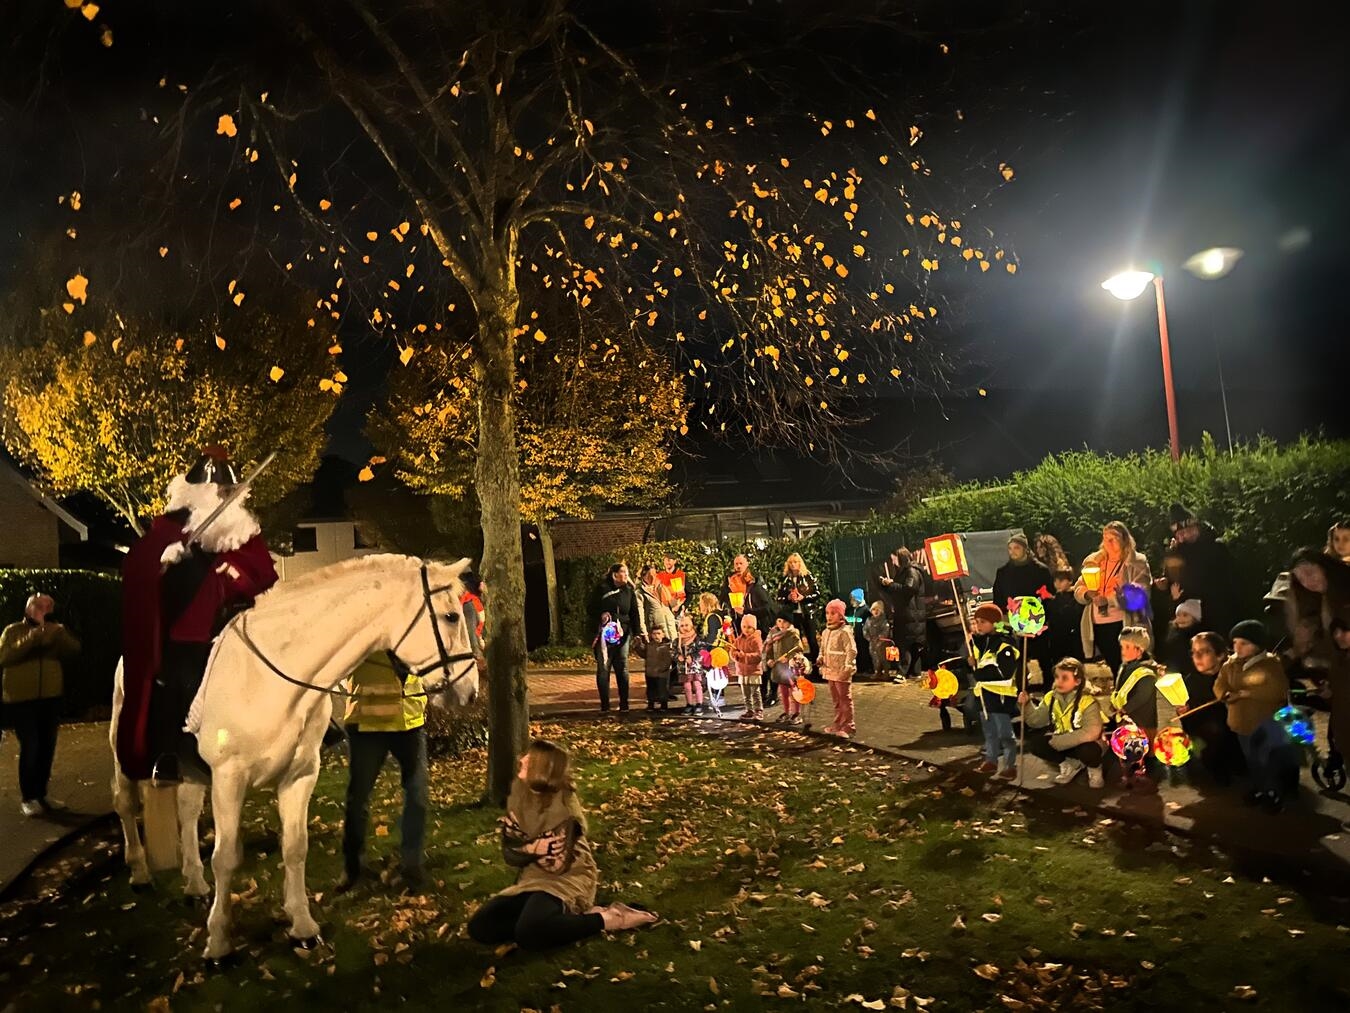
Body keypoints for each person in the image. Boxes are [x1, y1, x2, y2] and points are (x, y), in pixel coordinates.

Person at [118, 447, 278, 784]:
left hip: (237, 626)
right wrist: (163, 558)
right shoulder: (171, 528)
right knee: (180, 680)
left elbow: (262, 573)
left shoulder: (241, 529)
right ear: (198, 491)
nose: (224, 496)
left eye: (229, 491)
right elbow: (136, 568)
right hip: (187, 631)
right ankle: (169, 756)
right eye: (218, 490)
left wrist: (234, 573)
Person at [468, 739, 657, 950]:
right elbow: (510, 854)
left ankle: (609, 919)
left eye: (530, 758)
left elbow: (556, 864)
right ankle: (562, 920)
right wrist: (533, 848)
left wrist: (528, 848)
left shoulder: (564, 809)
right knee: (481, 927)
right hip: (532, 876)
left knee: (529, 933)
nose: (522, 759)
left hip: (568, 876)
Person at [338, 651, 430, 892]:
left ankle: (412, 866)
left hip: (409, 717)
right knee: (358, 798)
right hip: (368, 719)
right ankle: (353, 869)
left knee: (418, 795)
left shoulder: (413, 617)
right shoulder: (363, 617)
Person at [0, 593, 80, 816]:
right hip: (22, 700)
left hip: (50, 698)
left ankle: (41, 794)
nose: (42, 609)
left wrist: (61, 634)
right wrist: (34, 636)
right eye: (37, 605)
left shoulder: (55, 631)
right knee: (31, 745)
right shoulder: (13, 630)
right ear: (28, 608)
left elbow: (73, 650)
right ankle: (29, 797)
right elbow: (5, 656)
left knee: (47, 746)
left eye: (46, 606)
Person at [1284, 548, 1350, 783]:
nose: (1307, 581)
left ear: (1324, 567)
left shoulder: (1343, 595)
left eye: (1310, 572)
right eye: (1300, 578)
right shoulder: (1319, 601)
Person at [1217, 620, 1296, 812]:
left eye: (1244, 643)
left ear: (1257, 644)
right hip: (1240, 721)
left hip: (1264, 722)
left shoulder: (1270, 665)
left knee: (1267, 759)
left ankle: (1272, 792)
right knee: (1251, 759)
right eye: (1235, 642)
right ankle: (1259, 787)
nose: (1238, 647)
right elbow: (1220, 683)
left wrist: (1246, 693)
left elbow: (1277, 690)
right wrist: (1223, 694)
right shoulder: (1231, 664)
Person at [1072, 521, 1152, 676]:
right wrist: (1088, 594)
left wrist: (1110, 599)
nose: (1108, 542)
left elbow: (1142, 591)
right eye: (1105, 537)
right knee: (1114, 667)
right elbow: (1078, 587)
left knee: (1131, 666)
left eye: (1114, 537)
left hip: (1123, 622)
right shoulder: (1095, 561)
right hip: (1098, 622)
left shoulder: (1136, 562)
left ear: (1124, 539)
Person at [1018, 658, 1106, 788]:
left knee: (1088, 750)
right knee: (1036, 743)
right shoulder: (1051, 697)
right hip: (1062, 742)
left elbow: (1091, 733)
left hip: (1085, 744)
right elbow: (1035, 721)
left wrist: (1060, 742)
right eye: (1057, 677)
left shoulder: (1087, 701)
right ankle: (1068, 765)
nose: (1059, 681)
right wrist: (1026, 705)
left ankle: (1094, 769)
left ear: (1077, 681)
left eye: (1065, 678)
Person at [1177, 631, 1243, 787]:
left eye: (1204, 652)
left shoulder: (1231, 675)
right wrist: (1184, 712)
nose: (1197, 657)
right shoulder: (1190, 681)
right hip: (1207, 735)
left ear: (1220, 655)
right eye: (1194, 652)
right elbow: (1189, 722)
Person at [992, 533, 1055, 687]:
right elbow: (999, 597)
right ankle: (1021, 692)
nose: (1013, 551)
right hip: (1015, 622)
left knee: (1044, 659)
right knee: (1018, 659)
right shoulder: (1003, 572)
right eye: (1010, 548)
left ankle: (1049, 691)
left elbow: (1049, 595)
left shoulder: (1040, 571)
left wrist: (1043, 617)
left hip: (1037, 620)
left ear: (1025, 549)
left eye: (1016, 548)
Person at [1166, 503, 1238, 637]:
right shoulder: (1177, 553)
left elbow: (1227, 581)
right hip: (1190, 620)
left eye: (1184, 532)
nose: (1182, 537)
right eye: (1178, 534)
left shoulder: (1216, 547)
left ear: (1195, 528)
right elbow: (1174, 584)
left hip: (1217, 614)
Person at [968, 602, 1020, 779]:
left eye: (982, 622)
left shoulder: (1005, 644)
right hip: (984, 695)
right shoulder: (981, 642)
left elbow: (1003, 672)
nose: (978, 625)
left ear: (993, 622)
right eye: (976, 622)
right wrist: (971, 664)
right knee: (989, 732)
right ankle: (991, 760)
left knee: (1005, 733)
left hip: (1001, 696)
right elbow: (978, 665)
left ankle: (1010, 765)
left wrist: (978, 673)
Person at [1109, 626, 1160, 791]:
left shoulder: (1147, 672)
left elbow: (1143, 696)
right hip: (1127, 718)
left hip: (1142, 718)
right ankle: (1129, 777)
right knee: (1128, 751)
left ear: (1140, 650)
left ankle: (1146, 780)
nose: (1123, 651)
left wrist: (1126, 708)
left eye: (1127, 647)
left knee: (1143, 750)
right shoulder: (1126, 666)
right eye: (1122, 647)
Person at [592, 562, 642, 713]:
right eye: (624, 573)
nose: (627, 576)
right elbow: (590, 607)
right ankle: (605, 705)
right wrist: (601, 615)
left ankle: (624, 703)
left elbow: (634, 613)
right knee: (604, 668)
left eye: (627, 573)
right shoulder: (601, 589)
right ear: (615, 575)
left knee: (623, 668)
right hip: (605, 634)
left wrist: (637, 632)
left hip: (623, 633)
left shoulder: (629, 591)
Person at [878, 548, 926, 678]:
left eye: (894, 558)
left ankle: (903, 672)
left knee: (905, 643)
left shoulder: (911, 571)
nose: (892, 561)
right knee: (913, 644)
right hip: (910, 613)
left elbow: (909, 588)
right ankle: (914, 672)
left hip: (910, 614)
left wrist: (891, 584)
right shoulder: (906, 571)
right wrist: (887, 585)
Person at [818, 599, 858, 737]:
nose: (829, 616)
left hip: (841, 670)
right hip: (830, 670)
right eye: (827, 613)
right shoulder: (826, 632)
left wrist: (848, 665)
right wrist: (820, 658)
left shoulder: (845, 632)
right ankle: (837, 724)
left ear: (841, 615)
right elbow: (822, 649)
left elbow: (851, 650)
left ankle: (848, 726)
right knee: (836, 700)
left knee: (845, 699)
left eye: (833, 613)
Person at [763, 611, 806, 725]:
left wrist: (790, 658)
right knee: (783, 692)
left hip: (791, 668)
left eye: (785, 621)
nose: (781, 624)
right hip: (779, 668)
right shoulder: (773, 634)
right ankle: (786, 712)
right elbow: (769, 650)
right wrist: (769, 660)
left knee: (794, 690)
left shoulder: (793, 634)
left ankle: (796, 713)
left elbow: (798, 649)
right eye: (779, 621)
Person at [776, 553, 821, 660]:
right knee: (795, 639)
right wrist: (788, 598)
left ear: (800, 563)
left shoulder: (807, 576)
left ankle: (815, 662)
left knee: (811, 639)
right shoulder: (785, 580)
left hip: (807, 611)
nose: (793, 564)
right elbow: (778, 598)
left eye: (795, 562)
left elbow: (817, 593)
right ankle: (797, 663)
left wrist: (803, 597)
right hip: (792, 614)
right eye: (791, 562)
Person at [719, 554, 771, 636]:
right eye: (736, 564)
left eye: (741, 563)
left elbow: (766, 609)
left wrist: (745, 611)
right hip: (737, 627)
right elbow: (723, 603)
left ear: (747, 564)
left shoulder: (755, 584)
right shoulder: (729, 584)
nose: (738, 566)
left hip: (757, 628)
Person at [1043, 568, 1082, 666]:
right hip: (1056, 639)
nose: (1057, 584)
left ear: (1070, 581)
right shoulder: (1053, 600)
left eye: (1061, 580)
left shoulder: (1076, 598)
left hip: (1072, 638)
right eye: (1055, 581)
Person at [631, 626, 673, 712]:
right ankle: (651, 704)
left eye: (658, 633)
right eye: (654, 634)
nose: (656, 636)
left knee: (662, 689)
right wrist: (637, 646)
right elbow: (643, 654)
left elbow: (668, 660)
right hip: (650, 672)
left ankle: (663, 705)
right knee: (651, 689)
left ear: (663, 635)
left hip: (662, 673)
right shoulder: (649, 645)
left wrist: (663, 668)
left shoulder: (667, 647)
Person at [731, 614, 765, 718]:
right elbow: (732, 651)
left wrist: (744, 656)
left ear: (754, 628)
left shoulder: (756, 640)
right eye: (744, 627)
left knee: (755, 692)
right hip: (742, 670)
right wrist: (736, 655)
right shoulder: (738, 640)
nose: (746, 630)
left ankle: (758, 710)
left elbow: (759, 655)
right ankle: (749, 710)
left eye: (749, 627)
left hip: (753, 670)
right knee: (746, 693)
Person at [672, 615, 707, 715]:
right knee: (686, 686)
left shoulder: (697, 638)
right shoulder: (677, 640)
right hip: (683, 668)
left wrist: (693, 657)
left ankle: (699, 704)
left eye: (687, 625)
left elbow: (701, 651)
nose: (684, 628)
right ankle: (689, 704)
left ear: (691, 625)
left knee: (697, 684)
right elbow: (672, 651)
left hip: (695, 667)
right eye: (682, 626)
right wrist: (678, 656)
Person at [637, 563, 679, 643]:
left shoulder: (662, 587)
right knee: (659, 653)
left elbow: (674, 605)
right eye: (650, 575)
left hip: (670, 627)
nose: (653, 578)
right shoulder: (640, 593)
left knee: (673, 651)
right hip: (656, 632)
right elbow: (640, 615)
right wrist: (644, 632)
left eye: (654, 574)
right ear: (643, 576)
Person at [1161, 599, 1203, 672]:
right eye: (1178, 615)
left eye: (1185, 615)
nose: (1180, 619)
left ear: (1195, 618)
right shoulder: (1172, 634)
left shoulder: (1200, 638)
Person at [862, 601, 892, 680]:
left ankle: (886, 672)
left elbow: (886, 630)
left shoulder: (884, 620)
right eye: (873, 609)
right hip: (872, 643)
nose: (875, 611)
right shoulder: (869, 620)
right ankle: (877, 672)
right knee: (875, 658)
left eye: (878, 609)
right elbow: (865, 630)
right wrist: (869, 638)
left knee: (884, 658)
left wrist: (880, 638)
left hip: (883, 643)